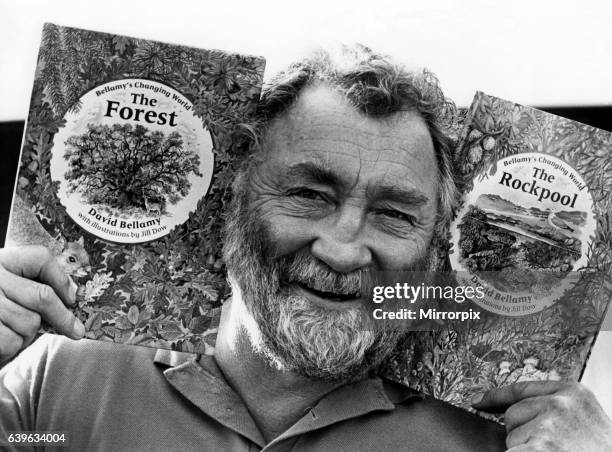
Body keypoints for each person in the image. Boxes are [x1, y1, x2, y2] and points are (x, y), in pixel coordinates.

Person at [1, 45, 611, 451]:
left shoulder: (505, 436)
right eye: (309, 194)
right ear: (231, 197)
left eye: (395, 214)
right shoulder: (58, 380)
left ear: (438, 244)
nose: (344, 250)